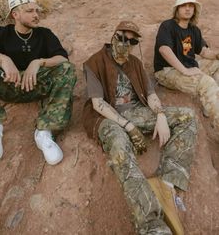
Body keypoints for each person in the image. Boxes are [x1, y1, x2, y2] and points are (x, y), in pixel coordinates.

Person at [83, 21, 197, 234]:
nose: (127, 43)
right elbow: (98, 104)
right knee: (118, 146)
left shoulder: (135, 62)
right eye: (122, 38)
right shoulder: (95, 62)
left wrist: (161, 115)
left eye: (133, 40)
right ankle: (151, 225)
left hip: (136, 110)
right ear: (113, 35)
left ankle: (168, 181)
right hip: (108, 117)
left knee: (187, 116)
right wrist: (128, 127)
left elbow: (150, 93)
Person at [0, 0, 76, 165]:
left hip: (36, 87)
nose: (36, 15)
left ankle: (45, 130)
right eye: (30, 11)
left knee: (67, 69)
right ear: (15, 14)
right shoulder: (1, 34)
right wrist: (2, 59)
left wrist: (38, 62)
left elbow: (63, 59)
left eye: (37, 11)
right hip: (6, 86)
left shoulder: (44, 34)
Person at [154, 0, 219, 130]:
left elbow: (203, 52)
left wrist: (217, 55)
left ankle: (211, 102)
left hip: (188, 67)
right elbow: (164, 50)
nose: (188, 9)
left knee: (217, 65)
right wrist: (185, 70)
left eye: (191, 6)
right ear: (177, 9)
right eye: (184, 6)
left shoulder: (194, 30)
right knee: (207, 82)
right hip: (167, 71)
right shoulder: (167, 26)